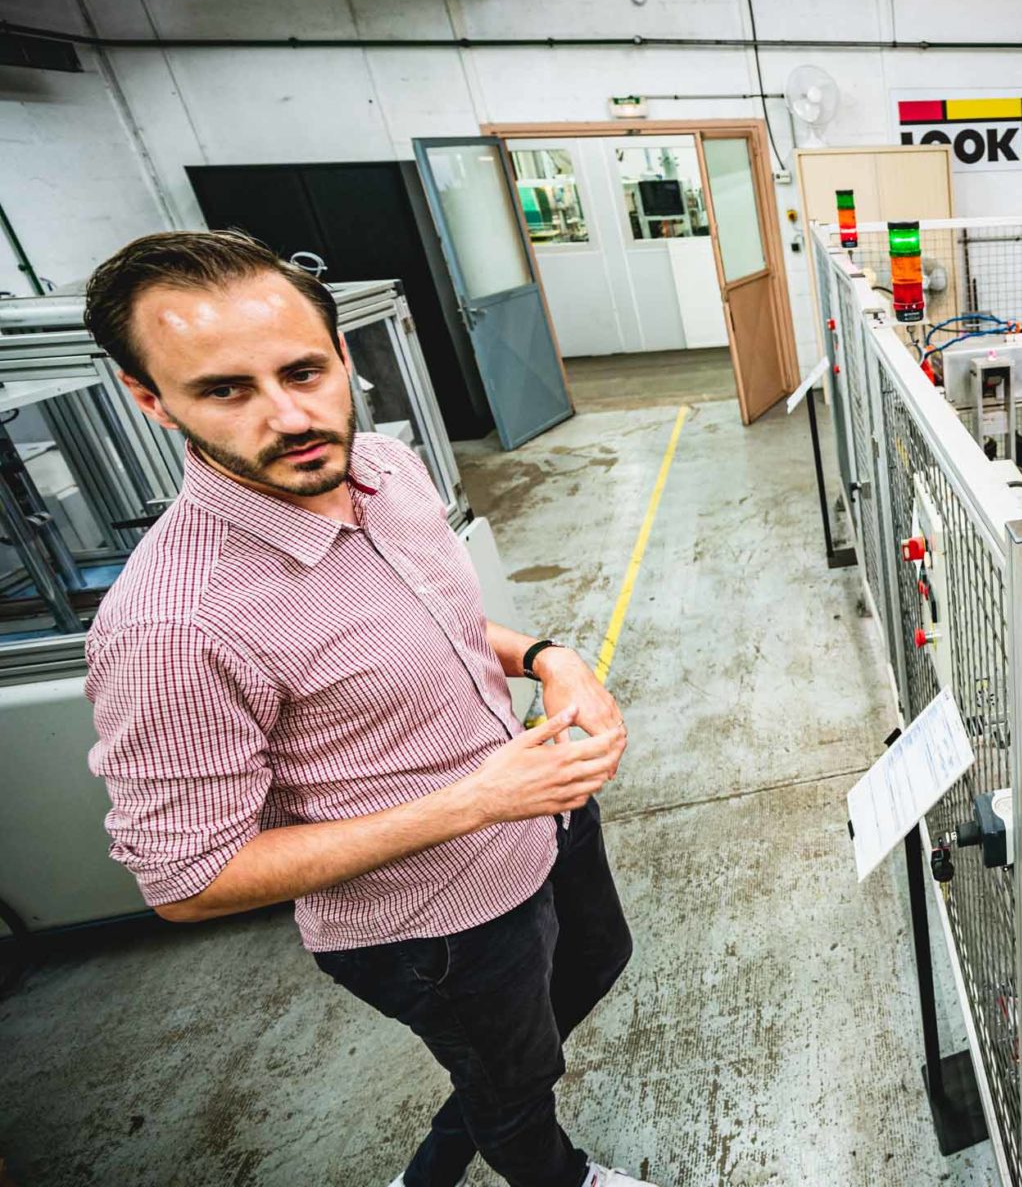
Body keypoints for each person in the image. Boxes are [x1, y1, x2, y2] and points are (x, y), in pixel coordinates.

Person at [80, 230, 656, 1187]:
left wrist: (547, 658)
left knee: (592, 967)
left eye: (304, 371)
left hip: (545, 822)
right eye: (225, 390)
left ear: (342, 354)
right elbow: (185, 880)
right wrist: (476, 802)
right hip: (436, 924)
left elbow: (437, 622)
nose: (289, 416)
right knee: (518, 1083)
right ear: (152, 399)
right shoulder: (174, 624)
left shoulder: (386, 468)